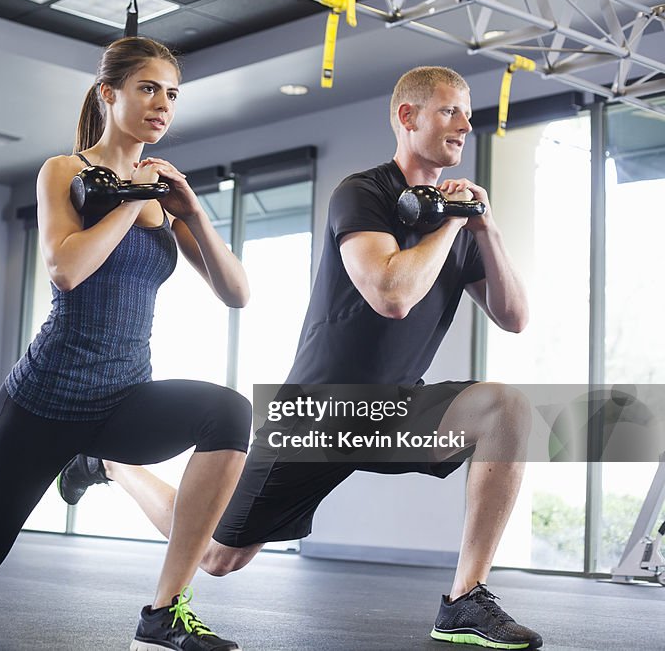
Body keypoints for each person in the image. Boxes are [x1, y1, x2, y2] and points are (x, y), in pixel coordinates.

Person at [58, 66, 544, 649]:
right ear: (407, 117)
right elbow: (392, 294)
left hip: (391, 411)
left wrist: (483, 226)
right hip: (317, 412)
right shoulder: (363, 192)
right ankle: (112, 464)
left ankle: (464, 602)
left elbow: (513, 317)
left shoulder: (464, 224)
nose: (465, 124)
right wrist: (449, 225)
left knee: (506, 410)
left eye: (466, 113)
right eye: (449, 111)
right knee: (218, 555)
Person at [0, 36, 253, 651]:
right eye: (147, 88)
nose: (162, 104)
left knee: (229, 411)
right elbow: (66, 269)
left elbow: (236, 293)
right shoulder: (65, 171)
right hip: (46, 402)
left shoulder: (165, 194)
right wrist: (134, 198)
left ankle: (162, 613)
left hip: (124, 397)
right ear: (108, 93)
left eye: (172, 94)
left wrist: (191, 210)